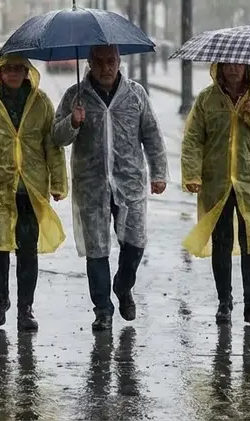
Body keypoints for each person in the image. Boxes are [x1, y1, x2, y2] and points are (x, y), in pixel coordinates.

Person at [52, 45, 168, 332]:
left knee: (135, 242)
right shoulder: (75, 96)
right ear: (90, 63)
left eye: (111, 61)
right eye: (100, 62)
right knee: (97, 248)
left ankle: (123, 285)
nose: (106, 68)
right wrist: (72, 122)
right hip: (91, 184)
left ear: (119, 61)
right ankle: (102, 309)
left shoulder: (136, 94)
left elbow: (152, 134)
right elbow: (57, 137)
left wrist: (159, 173)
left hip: (130, 182)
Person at [0, 55, 67, 332]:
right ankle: (0, 299)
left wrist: (58, 183)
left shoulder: (41, 103)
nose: (14, 74)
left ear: (27, 72)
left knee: (27, 249)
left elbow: (52, 146)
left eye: (19, 69)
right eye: (8, 69)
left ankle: (25, 308)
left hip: (31, 187)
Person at [180, 63, 250, 325]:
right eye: (228, 64)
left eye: (238, 64)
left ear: (247, 67)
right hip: (217, 182)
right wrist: (192, 174)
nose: (233, 69)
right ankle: (224, 303)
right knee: (222, 241)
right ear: (220, 66)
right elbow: (192, 138)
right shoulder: (207, 99)